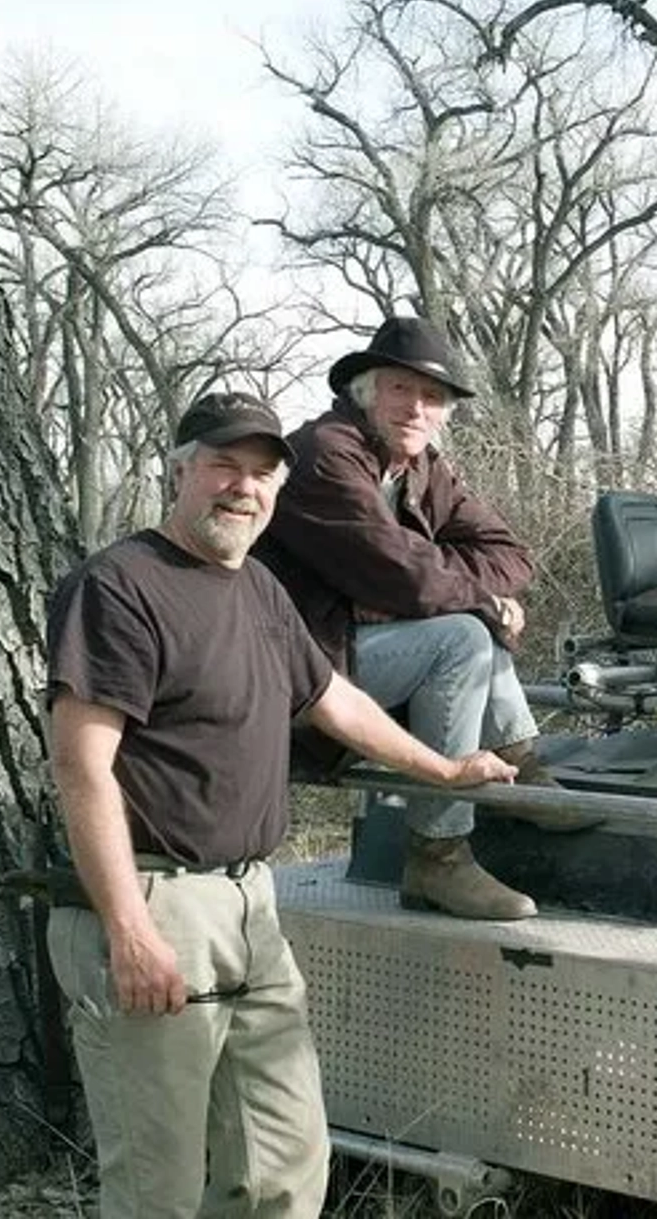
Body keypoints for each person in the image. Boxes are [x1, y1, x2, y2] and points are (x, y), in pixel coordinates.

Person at [45, 390, 518, 1218]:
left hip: (250, 905)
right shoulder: (119, 587)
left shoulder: (259, 589)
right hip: (158, 903)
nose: (243, 487)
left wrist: (440, 770)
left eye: (263, 473)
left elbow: (336, 700)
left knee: (286, 1166)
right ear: (180, 471)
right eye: (224, 465)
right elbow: (82, 768)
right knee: (157, 1186)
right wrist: (127, 928)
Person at [257, 316, 544, 921]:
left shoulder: (421, 469)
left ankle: (526, 773)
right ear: (365, 391)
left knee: (470, 624)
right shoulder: (325, 453)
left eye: (433, 397)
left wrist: (452, 587)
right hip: (298, 675)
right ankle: (436, 855)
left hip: (359, 659)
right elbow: (404, 574)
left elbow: (512, 554)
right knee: (465, 635)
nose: (417, 408)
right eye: (400, 390)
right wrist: (474, 599)